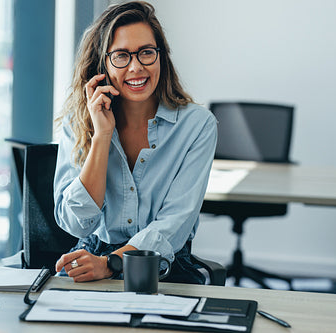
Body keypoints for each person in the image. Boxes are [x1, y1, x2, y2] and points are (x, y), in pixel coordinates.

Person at [53, 1, 217, 285]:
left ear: (160, 56)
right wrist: (102, 137)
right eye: (121, 56)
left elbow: (175, 223)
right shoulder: (77, 122)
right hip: (91, 260)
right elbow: (77, 223)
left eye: (146, 53)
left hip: (163, 264)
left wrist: (112, 263)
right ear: (102, 63)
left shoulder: (197, 125)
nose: (136, 67)